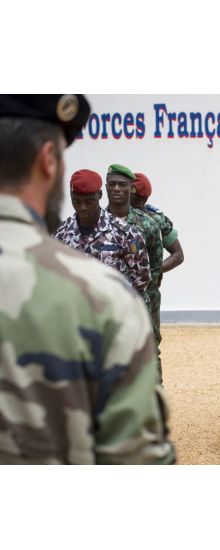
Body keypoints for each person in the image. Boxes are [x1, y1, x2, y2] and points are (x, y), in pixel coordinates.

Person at [0, 94, 174, 464]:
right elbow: (136, 455)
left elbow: (145, 276)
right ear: (49, 161)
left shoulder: (128, 236)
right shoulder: (107, 300)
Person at [105, 164, 164, 380]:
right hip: (105, 304)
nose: (117, 189)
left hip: (141, 301)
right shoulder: (96, 222)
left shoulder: (147, 225)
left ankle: (153, 403)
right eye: (112, 184)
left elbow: (155, 267)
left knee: (147, 352)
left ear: (131, 188)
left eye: (122, 184)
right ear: (105, 188)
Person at [54, 169, 151, 295]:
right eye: (77, 201)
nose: (82, 207)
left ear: (99, 195)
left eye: (89, 201)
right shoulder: (61, 234)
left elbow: (141, 276)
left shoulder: (124, 232)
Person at [129, 171, 184, 364]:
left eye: (135, 197)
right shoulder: (109, 218)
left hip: (148, 293)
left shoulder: (155, 219)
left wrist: (152, 270)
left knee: (150, 346)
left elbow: (178, 255)